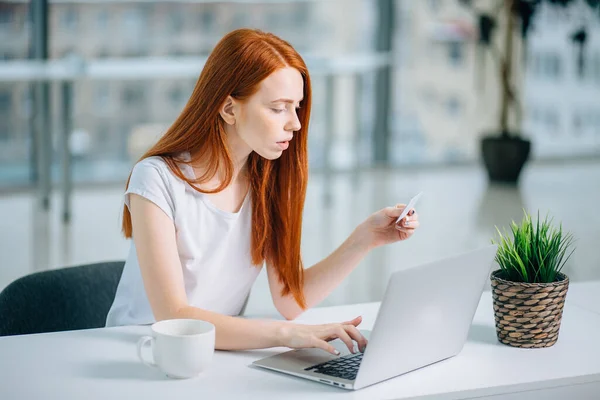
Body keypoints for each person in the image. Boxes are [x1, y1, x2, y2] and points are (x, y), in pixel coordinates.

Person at [105, 29, 420, 356]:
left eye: (296, 107)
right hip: (142, 351)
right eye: (278, 108)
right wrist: (287, 334)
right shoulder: (156, 178)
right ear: (228, 109)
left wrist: (365, 238)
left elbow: (289, 300)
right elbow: (173, 316)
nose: (295, 124)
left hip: (217, 351)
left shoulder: (266, 181)